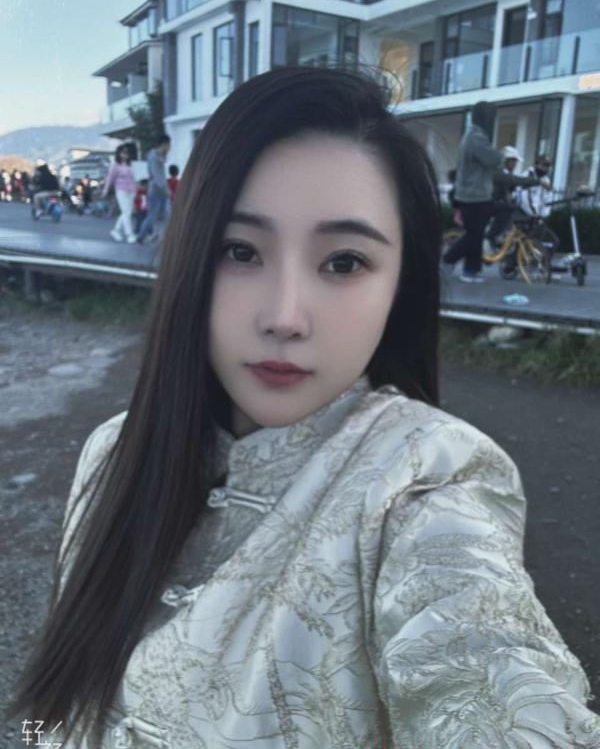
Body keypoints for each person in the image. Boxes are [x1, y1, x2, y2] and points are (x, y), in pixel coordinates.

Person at [7, 67, 599, 749]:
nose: (285, 317)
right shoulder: (112, 453)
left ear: (401, 285)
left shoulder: (425, 482)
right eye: (239, 251)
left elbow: (486, 665)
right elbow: (53, 720)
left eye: (344, 263)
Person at [442, 101, 503, 283]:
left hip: (473, 195)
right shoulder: (476, 137)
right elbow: (493, 160)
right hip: (474, 196)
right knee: (474, 235)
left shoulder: (473, 135)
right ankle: (448, 259)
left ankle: (471, 271)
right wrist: (502, 154)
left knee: (476, 234)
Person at [486, 146, 548, 247]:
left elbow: (515, 185)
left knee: (517, 212)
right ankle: (491, 237)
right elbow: (514, 180)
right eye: (513, 161)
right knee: (506, 208)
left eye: (515, 161)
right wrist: (538, 182)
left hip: (497, 202)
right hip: (489, 203)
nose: (515, 164)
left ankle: (507, 240)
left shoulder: (505, 173)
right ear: (505, 160)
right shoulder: (499, 172)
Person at [516, 154, 560, 254]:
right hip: (523, 215)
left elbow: (546, 201)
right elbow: (524, 198)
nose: (546, 168)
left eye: (548, 166)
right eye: (544, 165)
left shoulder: (546, 180)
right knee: (525, 242)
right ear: (536, 165)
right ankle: (515, 260)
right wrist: (535, 215)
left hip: (536, 218)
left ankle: (542, 261)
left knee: (553, 241)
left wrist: (543, 215)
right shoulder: (527, 176)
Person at [137, 133, 171, 244]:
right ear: (163, 144)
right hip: (155, 190)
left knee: (168, 214)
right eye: (168, 145)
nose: (170, 147)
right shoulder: (153, 157)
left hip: (162, 189)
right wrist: (167, 191)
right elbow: (157, 177)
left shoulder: (161, 155)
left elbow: (162, 169)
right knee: (152, 216)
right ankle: (141, 237)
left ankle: (165, 238)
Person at [102, 144, 138, 244]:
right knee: (126, 212)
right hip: (121, 190)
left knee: (127, 212)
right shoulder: (115, 164)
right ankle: (129, 234)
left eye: (127, 153)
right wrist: (106, 189)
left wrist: (136, 190)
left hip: (132, 190)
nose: (125, 155)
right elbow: (110, 177)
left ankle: (116, 230)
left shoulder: (131, 164)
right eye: (123, 153)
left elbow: (135, 177)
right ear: (119, 153)